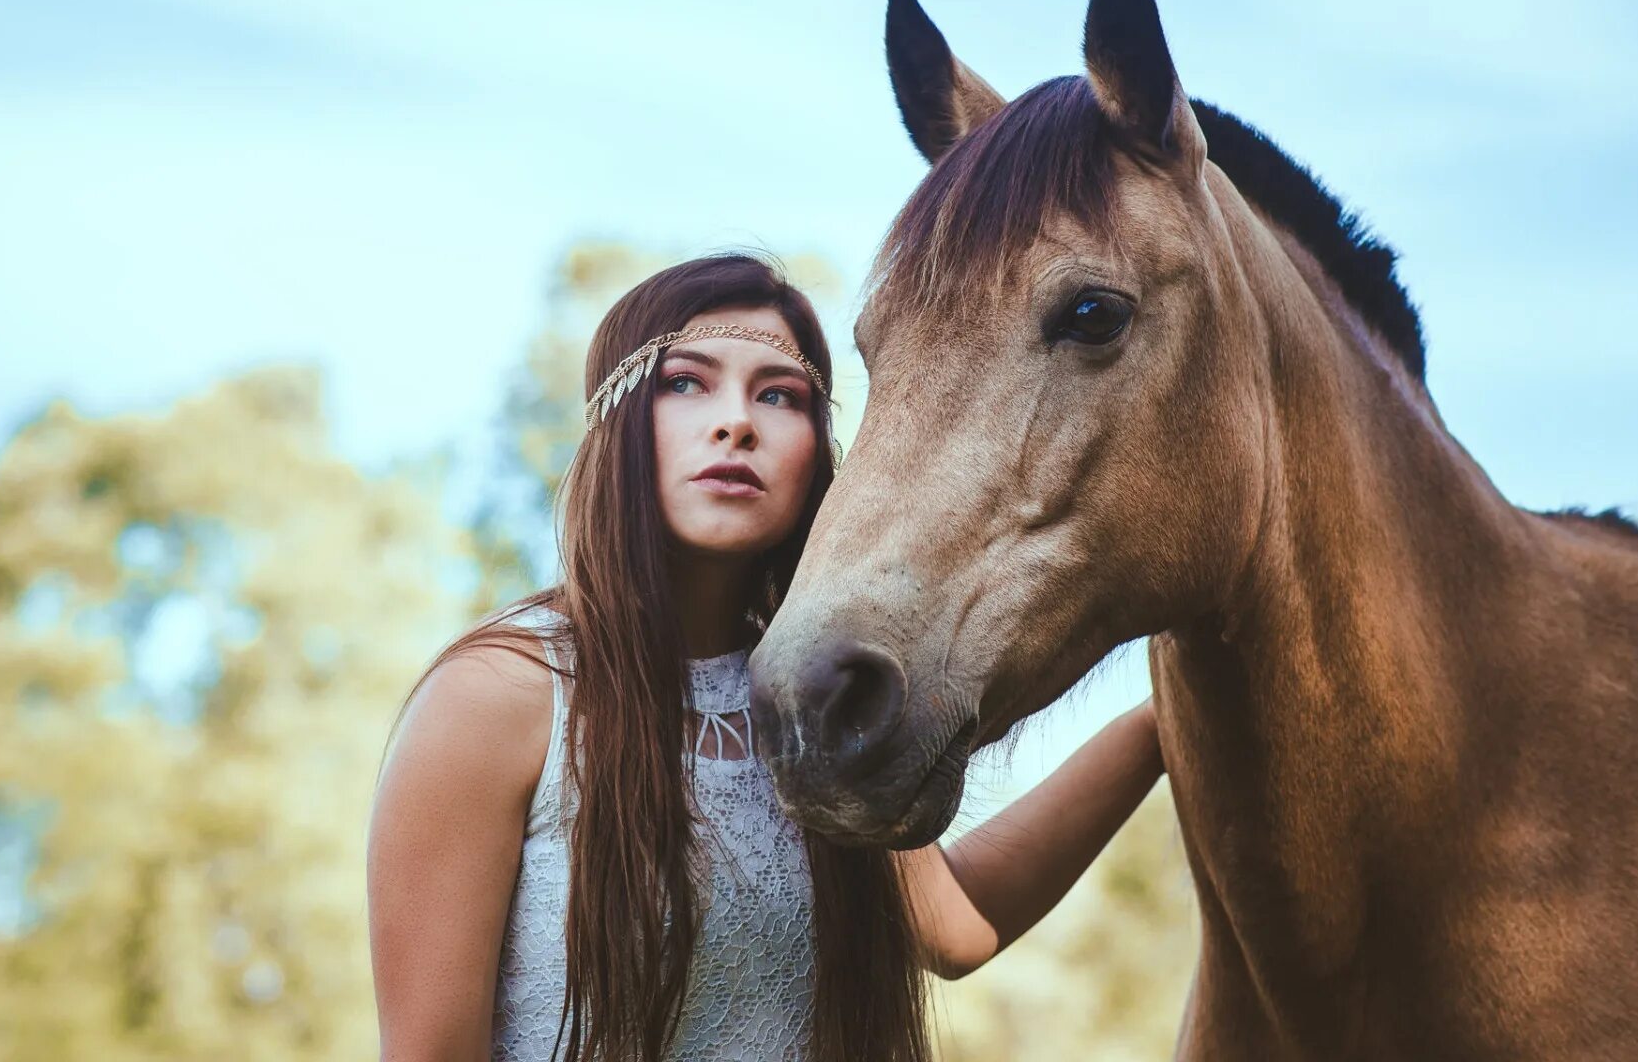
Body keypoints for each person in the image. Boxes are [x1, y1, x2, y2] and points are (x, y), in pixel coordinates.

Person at [367, 253, 1165, 1062]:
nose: (736, 422)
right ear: (615, 421)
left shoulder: (815, 699)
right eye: (686, 382)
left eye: (778, 395)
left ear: (817, 455)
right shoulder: (501, 694)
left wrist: (1161, 726)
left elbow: (956, 926)